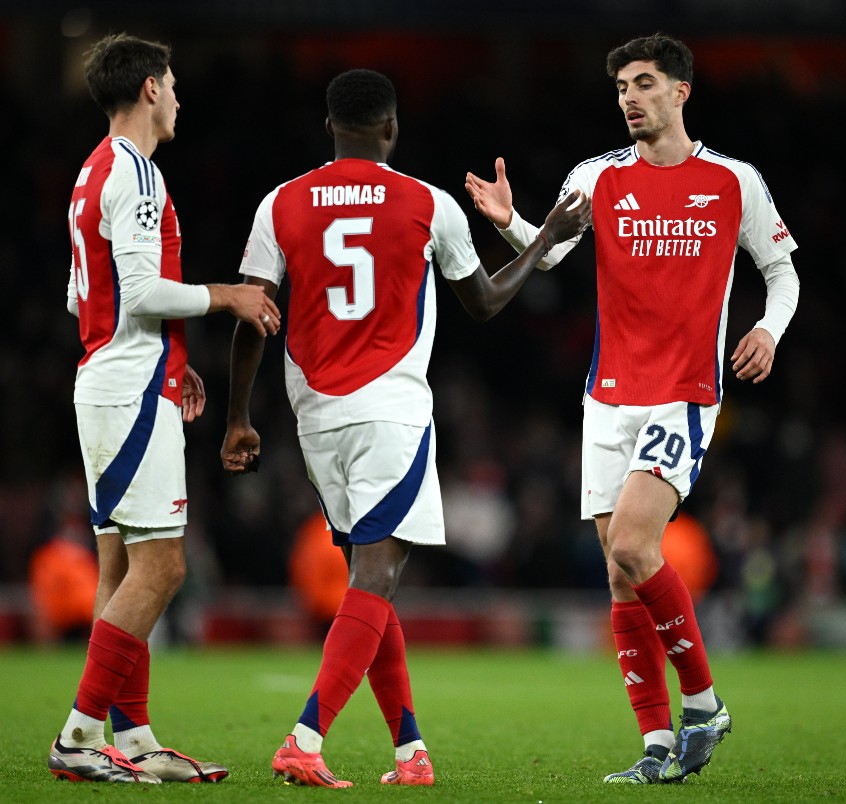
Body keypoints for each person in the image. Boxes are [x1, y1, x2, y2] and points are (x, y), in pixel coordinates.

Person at [220, 68, 589, 788]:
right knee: (379, 573)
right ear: (391, 129)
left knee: (372, 574)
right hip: (389, 407)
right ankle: (305, 737)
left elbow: (252, 313)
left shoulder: (280, 203)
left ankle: (410, 752)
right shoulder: (427, 202)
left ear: (330, 128)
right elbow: (484, 302)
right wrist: (544, 237)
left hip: (313, 412)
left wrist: (237, 417)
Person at [465, 32, 800, 783]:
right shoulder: (596, 177)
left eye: (645, 84)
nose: (630, 99)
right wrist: (509, 220)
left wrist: (768, 330)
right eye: (621, 88)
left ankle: (707, 705)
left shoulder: (733, 181)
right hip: (606, 396)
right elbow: (549, 254)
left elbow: (781, 270)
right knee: (620, 577)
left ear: (682, 91)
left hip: (684, 393)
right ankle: (656, 747)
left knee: (633, 547)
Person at [48, 32, 281, 785]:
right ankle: (80, 735)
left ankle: (136, 735)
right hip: (128, 389)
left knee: (119, 565)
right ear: (150, 87)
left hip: (112, 380)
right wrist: (228, 297)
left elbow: (84, 297)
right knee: (164, 565)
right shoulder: (138, 174)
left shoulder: (92, 172)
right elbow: (143, 292)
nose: (179, 97)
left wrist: (169, 360)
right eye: (173, 83)